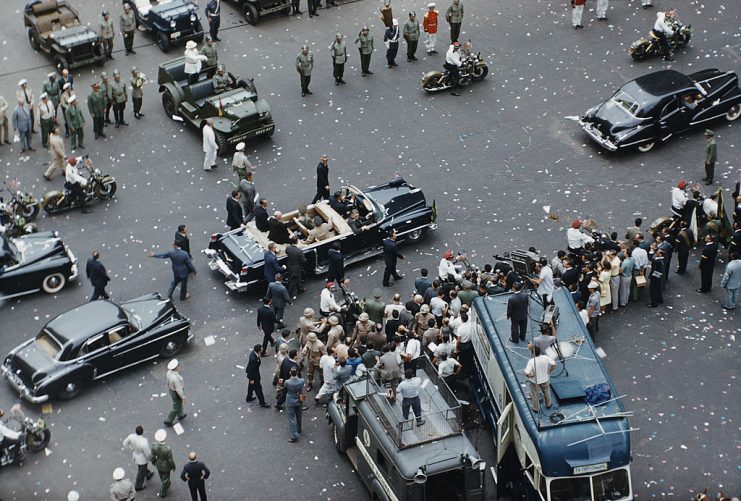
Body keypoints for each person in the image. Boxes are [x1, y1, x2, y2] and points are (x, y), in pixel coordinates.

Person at [524, 345, 556, 412]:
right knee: (546, 392)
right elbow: (554, 364)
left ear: (533, 353)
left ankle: (536, 408)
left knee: (535, 394)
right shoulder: (545, 357)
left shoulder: (531, 361)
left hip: (535, 381)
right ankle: (548, 404)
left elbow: (526, 373)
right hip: (545, 379)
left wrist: (530, 376)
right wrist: (549, 371)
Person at [122, 425, 154, 491]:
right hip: (142, 459)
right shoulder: (144, 442)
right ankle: (138, 486)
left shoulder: (131, 436)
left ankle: (148, 474)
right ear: (142, 432)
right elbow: (147, 454)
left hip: (135, 455)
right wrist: (152, 459)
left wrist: (131, 448)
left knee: (142, 469)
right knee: (141, 472)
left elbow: (124, 443)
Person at [150, 429, 176, 498]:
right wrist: (173, 467)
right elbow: (170, 460)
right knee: (166, 478)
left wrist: (153, 462)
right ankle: (163, 491)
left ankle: (165, 484)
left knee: (161, 475)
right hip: (166, 466)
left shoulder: (153, 446)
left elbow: (152, 456)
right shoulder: (167, 449)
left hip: (158, 463)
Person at [285, 367, 305, 443]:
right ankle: (299, 428)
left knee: (291, 418)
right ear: (297, 373)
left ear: (290, 373)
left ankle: (294, 435)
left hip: (290, 400)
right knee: (299, 415)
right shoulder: (302, 381)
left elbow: (284, 386)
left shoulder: (287, 382)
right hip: (299, 399)